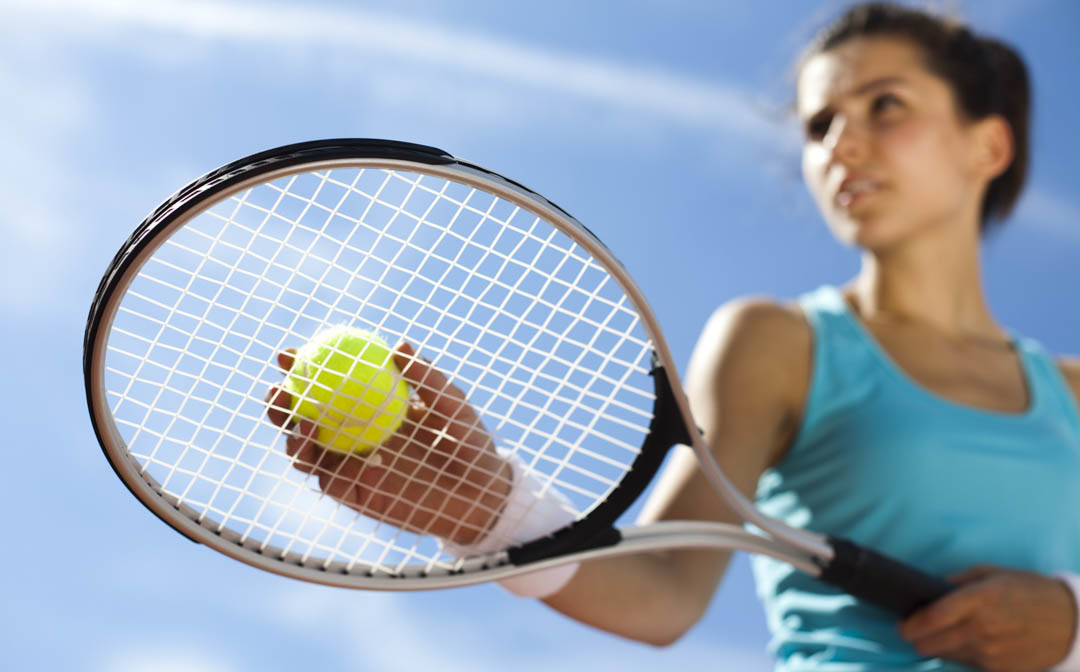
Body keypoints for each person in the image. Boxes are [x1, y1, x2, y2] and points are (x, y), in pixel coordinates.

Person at [265, 3, 1080, 670]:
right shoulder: (779, 341)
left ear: (989, 143)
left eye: (885, 106)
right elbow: (664, 592)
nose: (841, 144)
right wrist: (491, 511)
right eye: (819, 124)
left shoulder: (1072, 394)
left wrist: (1071, 623)